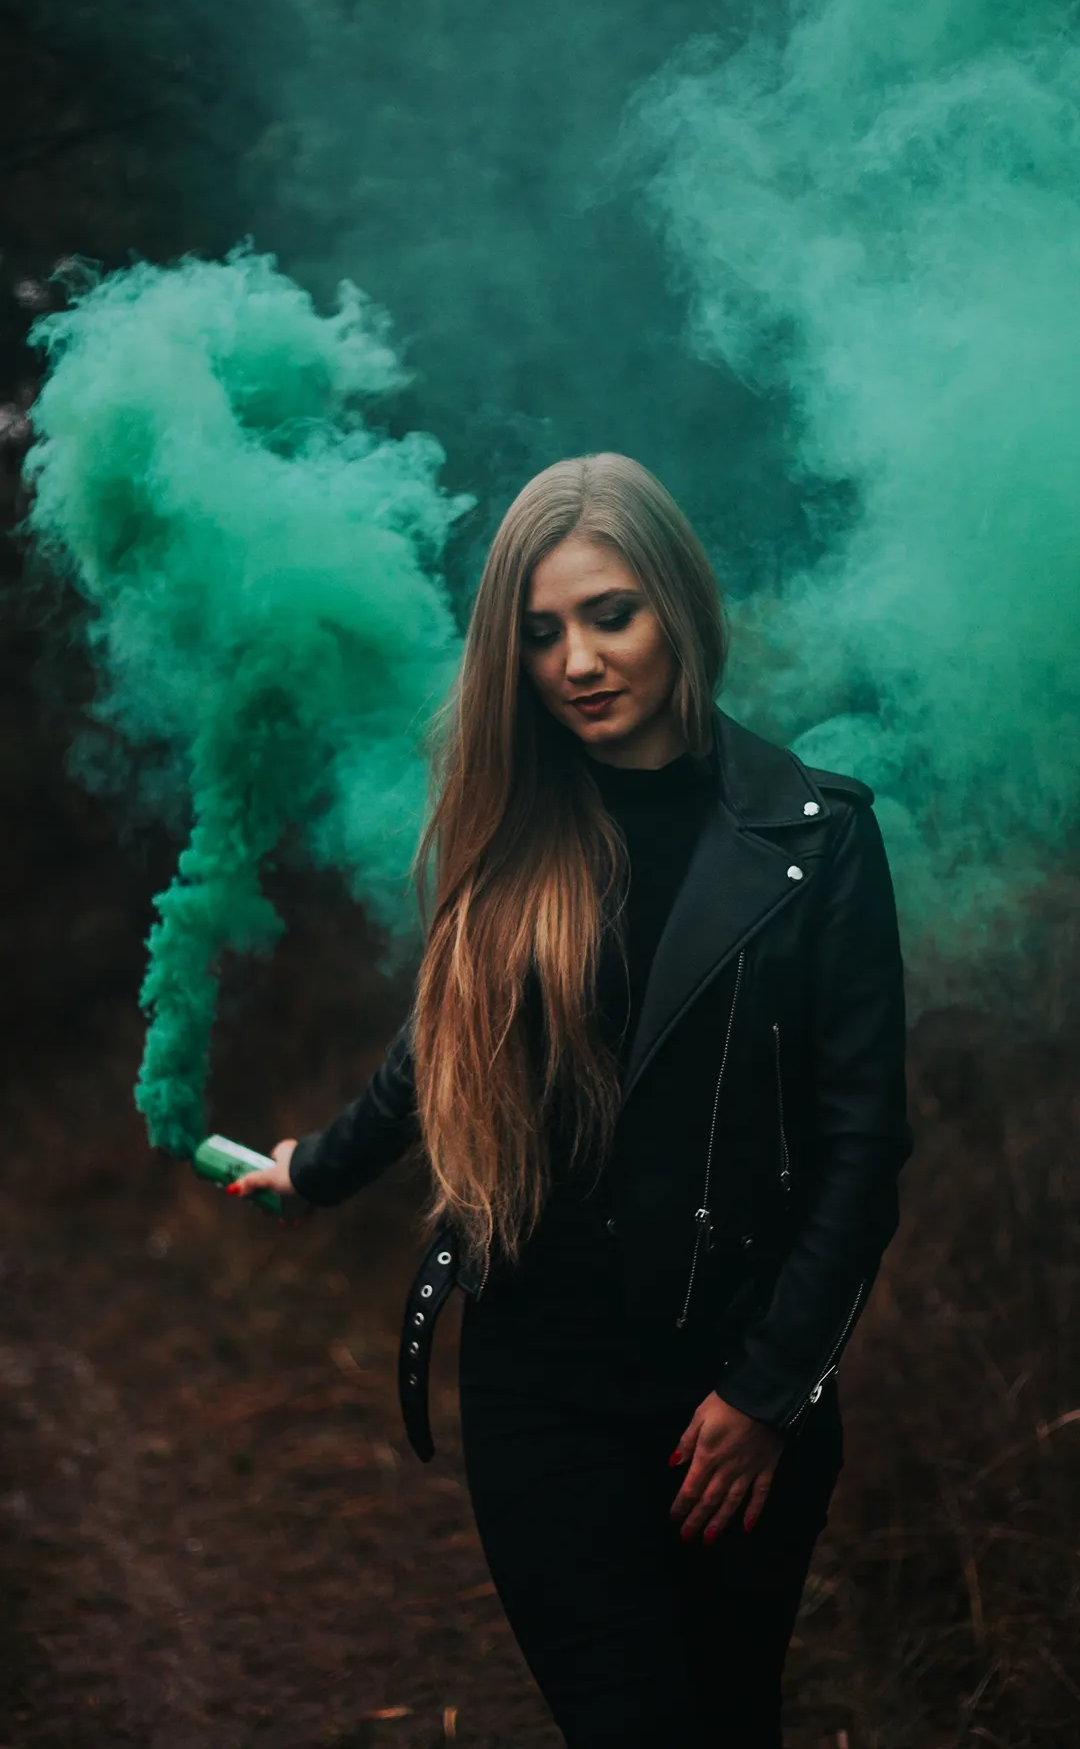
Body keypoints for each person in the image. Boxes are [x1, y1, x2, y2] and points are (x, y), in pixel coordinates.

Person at [232, 452, 911, 1748]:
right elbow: (435, 1055)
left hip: (735, 1387)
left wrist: (769, 1395)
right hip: (540, 1383)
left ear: (679, 607)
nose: (579, 662)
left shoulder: (821, 839)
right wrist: (312, 1167)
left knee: (730, 1719)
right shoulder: (512, 824)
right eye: (540, 634)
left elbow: (862, 1147)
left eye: (611, 615)